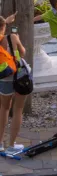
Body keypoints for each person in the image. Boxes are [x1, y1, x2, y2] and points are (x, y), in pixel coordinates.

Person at [0, 15, 25, 151]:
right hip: (19, 76)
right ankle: (11, 145)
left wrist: (6, 21)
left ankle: (0, 143)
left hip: (3, 77)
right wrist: (17, 39)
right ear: (4, 26)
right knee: (18, 109)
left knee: (4, 109)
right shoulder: (12, 37)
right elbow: (22, 53)